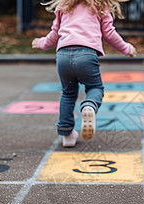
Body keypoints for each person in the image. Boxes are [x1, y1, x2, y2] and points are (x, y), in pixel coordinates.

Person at [32, 0, 137, 147]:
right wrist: (126, 48)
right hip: (86, 54)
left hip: (63, 56)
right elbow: (109, 33)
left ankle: (67, 134)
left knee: (68, 94)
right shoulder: (99, 5)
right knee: (95, 88)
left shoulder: (64, 5)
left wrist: (42, 43)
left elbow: (55, 33)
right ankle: (89, 105)